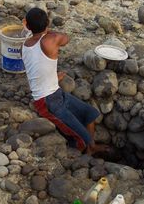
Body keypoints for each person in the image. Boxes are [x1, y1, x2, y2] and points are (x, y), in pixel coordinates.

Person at [22, 8, 106, 155]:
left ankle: (91, 146)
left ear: (28, 26)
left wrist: (54, 77)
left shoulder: (25, 44)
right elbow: (66, 38)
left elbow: (38, 66)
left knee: (90, 113)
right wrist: (48, 29)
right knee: (81, 137)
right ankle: (81, 156)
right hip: (46, 101)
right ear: (47, 23)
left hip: (55, 92)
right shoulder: (51, 39)